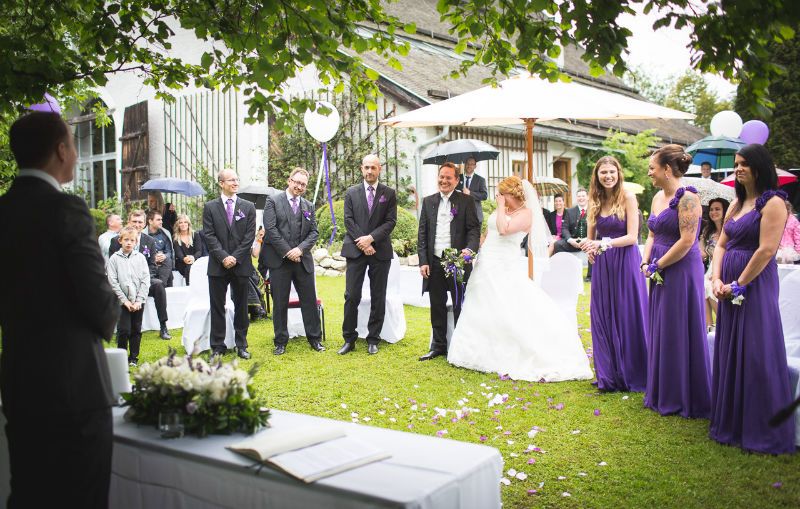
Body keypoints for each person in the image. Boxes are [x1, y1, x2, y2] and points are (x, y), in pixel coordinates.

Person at [0, 111, 119, 507]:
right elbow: (100, 304)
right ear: (60, 149)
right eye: (72, 144)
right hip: (74, 389)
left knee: (30, 493)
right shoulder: (65, 210)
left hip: (20, 382)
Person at [447, 176, 593, 381]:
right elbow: (488, 233)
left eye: (501, 193)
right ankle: (476, 351)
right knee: (482, 305)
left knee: (507, 307)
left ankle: (514, 350)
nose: (499, 196)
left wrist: (498, 206)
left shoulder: (527, 214)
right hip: (486, 262)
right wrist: (473, 252)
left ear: (510, 194)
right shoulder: (503, 210)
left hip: (504, 264)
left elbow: (504, 230)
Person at [710, 144, 796, 454]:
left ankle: (760, 425)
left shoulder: (773, 202)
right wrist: (718, 278)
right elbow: (721, 244)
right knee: (732, 346)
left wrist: (738, 284)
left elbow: (766, 250)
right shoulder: (735, 203)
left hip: (754, 285)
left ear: (759, 167)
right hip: (728, 285)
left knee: (756, 348)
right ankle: (732, 420)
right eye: (736, 163)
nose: (738, 168)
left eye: (745, 163)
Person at [641, 144, 711, 418]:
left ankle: (684, 393)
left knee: (679, 326)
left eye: (652, 169)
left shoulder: (688, 199)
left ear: (667, 170)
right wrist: (646, 261)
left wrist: (659, 264)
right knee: (662, 326)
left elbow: (686, 241)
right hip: (658, 267)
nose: (650, 173)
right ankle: (662, 389)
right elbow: (650, 234)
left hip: (680, 269)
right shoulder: (658, 196)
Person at [580, 156, 648, 392]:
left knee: (625, 313)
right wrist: (590, 247)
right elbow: (591, 235)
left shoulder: (628, 197)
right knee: (602, 315)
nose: (608, 176)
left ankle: (630, 372)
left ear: (619, 173)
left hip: (625, 261)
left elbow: (632, 237)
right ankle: (607, 374)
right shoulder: (594, 200)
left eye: (612, 172)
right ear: (596, 176)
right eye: (603, 173)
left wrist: (602, 244)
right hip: (602, 264)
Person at [417, 162, 480, 361]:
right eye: (441, 177)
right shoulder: (428, 201)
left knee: (460, 304)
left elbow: (474, 230)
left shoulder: (466, 201)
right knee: (436, 305)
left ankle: (461, 347)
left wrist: (469, 250)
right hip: (434, 260)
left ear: (457, 180)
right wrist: (423, 261)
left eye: (448, 178)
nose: (444, 180)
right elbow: (422, 233)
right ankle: (438, 346)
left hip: (456, 260)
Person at [262, 167, 324, 356]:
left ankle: (315, 339)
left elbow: (314, 232)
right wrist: (288, 252)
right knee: (280, 302)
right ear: (289, 181)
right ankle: (280, 341)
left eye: (303, 184)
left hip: (302, 260)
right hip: (280, 261)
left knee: (309, 301)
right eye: (296, 182)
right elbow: (271, 230)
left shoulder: (308, 206)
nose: (299, 186)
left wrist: (300, 249)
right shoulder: (273, 201)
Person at [339, 154, 398, 355]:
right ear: (361, 169)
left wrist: (371, 239)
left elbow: (390, 222)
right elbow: (348, 220)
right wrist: (363, 243)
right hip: (356, 250)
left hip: (379, 251)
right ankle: (349, 338)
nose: (370, 171)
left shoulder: (388, 193)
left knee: (378, 296)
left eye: (373, 167)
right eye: (366, 167)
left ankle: (374, 338)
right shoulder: (351, 192)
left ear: (379, 169)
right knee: (351, 295)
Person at [202, 169, 257, 359]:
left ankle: (241, 345)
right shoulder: (210, 207)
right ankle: (217, 346)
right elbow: (209, 236)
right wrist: (224, 257)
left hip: (240, 264)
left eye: (236, 179)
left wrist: (235, 257)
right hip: (218, 265)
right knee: (217, 306)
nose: (235, 182)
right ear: (221, 183)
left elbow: (249, 236)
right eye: (231, 179)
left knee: (242, 306)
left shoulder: (248, 207)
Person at [109, 209, 172, 340]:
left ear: (144, 224)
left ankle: (163, 326)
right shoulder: (116, 241)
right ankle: (122, 330)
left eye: (140, 222)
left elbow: (152, 265)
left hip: (144, 280)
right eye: (134, 221)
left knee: (159, 285)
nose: (137, 225)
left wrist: (142, 281)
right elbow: (113, 267)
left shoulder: (149, 241)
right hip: (124, 282)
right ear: (128, 222)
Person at [107, 226, 150, 366]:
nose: (129, 243)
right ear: (120, 240)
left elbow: (145, 280)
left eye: (132, 240)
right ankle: (122, 358)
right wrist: (124, 301)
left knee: (136, 329)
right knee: (123, 330)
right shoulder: (114, 259)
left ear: (136, 242)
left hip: (138, 301)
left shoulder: (141, 258)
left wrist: (139, 300)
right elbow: (112, 281)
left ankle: (133, 358)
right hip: (122, 302)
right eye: (126, 240)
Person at [699, 198, 729, 328]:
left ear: (725, 211)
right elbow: (703, 255)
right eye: (711, 209)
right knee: (703, 286)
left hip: (724, 266)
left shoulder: (729, 229)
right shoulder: (708, 232)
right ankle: (709, 327)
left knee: (707, 286)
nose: (713, 212)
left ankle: (723, 323)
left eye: (717, 209)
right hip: (711, 267)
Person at [555, 187, 591, 280]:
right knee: (558, 244)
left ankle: (590, 276)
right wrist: (570, 240)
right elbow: (564, 228)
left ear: (587, 197)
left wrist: (586, 239)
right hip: (574, 241)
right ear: (577, 198)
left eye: (583, 196)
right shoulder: (569, 211)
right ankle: (564, 272)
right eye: (579, 196)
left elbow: (598, 229)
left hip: (588, 241)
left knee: (594, 245)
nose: (581, 198)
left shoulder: (594, 210)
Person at [173, 214, 205, 284]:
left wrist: (193, 258)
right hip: (182, 263)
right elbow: (179, 254)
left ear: (188, 224)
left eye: (185, 222)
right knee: (189, 267)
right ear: (178, 225)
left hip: (195, 260)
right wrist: (185, 259)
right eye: (180, 222)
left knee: (191, 267)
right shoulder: (175, 238)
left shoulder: (195, 235)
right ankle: (190, 287)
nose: (183, 224)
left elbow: (199, 251)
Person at [456, 156, 489, 224]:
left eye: (471, 164)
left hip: (476, 216)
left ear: (475, 166)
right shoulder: (458, 178)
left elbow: (484, 195)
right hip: (461, 216)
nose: (469, 166)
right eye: (467, 163)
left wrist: (470, 193)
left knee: (475, 235)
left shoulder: (480, 180)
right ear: (465, 165)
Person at [146, 209, 174, 287]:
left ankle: (161, 286)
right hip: (149, 265)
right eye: (158, 220)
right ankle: (161, 287)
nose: (161, 222)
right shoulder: (143, 234)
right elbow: (143, 251)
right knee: (169, 274)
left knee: (168, 261)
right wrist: (153, 257)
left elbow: (169, 251)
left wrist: (164, 256)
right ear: (150, 221)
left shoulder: (165, 233)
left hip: (164, 263)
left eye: (161, 219)